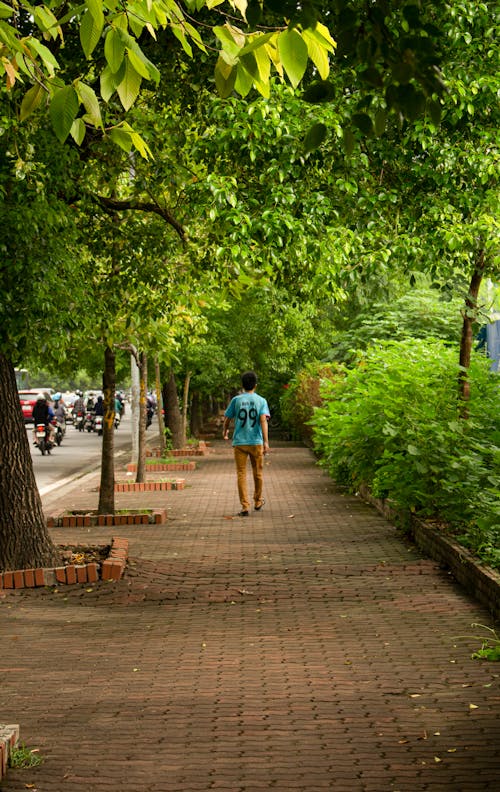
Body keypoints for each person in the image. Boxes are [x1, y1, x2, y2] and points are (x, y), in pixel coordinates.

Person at [223, 371, 270, 516]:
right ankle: (257, 500)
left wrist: (225, 432)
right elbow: (263, 421)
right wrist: (266, 442)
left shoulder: (236, 400)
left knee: (241, 474)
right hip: (256, 442)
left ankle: (245, 506)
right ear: (255, 385)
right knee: (258, 473)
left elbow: (227, 419)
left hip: (240, 442)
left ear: (242, 385)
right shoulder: (261, 401)